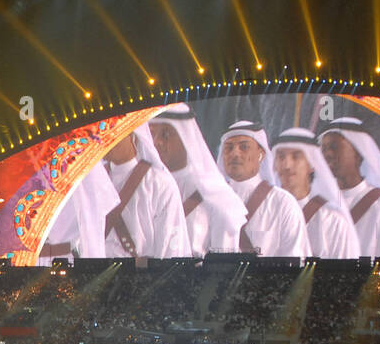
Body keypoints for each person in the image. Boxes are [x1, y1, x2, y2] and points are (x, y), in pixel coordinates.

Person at [147, 105, 249, 256]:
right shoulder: (144, 186)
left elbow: (224, 264)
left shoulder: (214, 193)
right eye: (152, 134)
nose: (157, 142)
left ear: (185, 137)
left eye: (166, 135)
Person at [318, 116, 380, 262]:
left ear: (358, 153)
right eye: (323, 149)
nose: (327, 154)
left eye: (334, 147)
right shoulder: (320, 204)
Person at [216, 120, 311, 259]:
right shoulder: (213, 201)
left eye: (244, 147)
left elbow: (296, 260)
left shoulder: (283, 203)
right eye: (229, 148)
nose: (235, 153)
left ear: (261, 154)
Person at [99, 128, 191, 260]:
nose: (105, 140)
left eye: (113, 134)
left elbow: (170, 250)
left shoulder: (159, 183)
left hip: (143, 276)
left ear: (132, 135)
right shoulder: (93, 183)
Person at [269, 127, 359, 259]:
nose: (287, 165)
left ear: (312, 164)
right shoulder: (266, 212)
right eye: (281, 157)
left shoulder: (333, 221)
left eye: (296, 157)